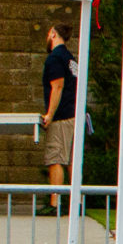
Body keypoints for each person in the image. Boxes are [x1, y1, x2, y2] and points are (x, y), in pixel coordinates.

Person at [40, 16, 78, 201]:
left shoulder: (54, 58)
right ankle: (76, 202)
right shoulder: (71, 59)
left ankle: (55, 204)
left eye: (49, 34)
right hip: (74, 114)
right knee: (72, 160)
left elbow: (58, 86)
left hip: (61, 117)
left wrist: (50, 114)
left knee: (55, 158)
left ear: (53, 34)